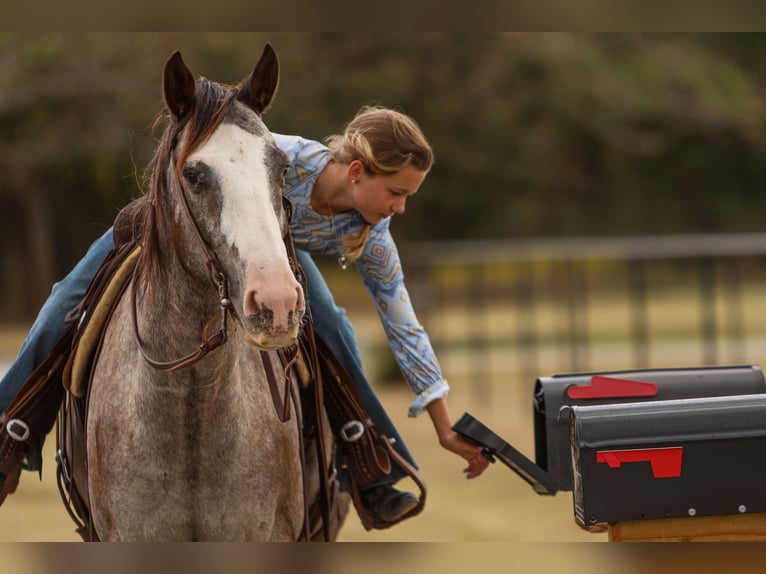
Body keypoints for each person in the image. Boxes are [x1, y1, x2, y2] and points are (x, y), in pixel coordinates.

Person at [0, 105, 489, 524]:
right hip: (181, 222)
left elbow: (404, 326)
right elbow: (209, 148)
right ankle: (10, 428)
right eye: (396, 193)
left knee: (336, 327)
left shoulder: (375, 240)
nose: (401, 208)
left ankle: (366, 457)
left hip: (279, 258)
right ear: (357, 172)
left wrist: (444, 426)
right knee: (62, 304)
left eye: (408, 196)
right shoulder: (281, 153)